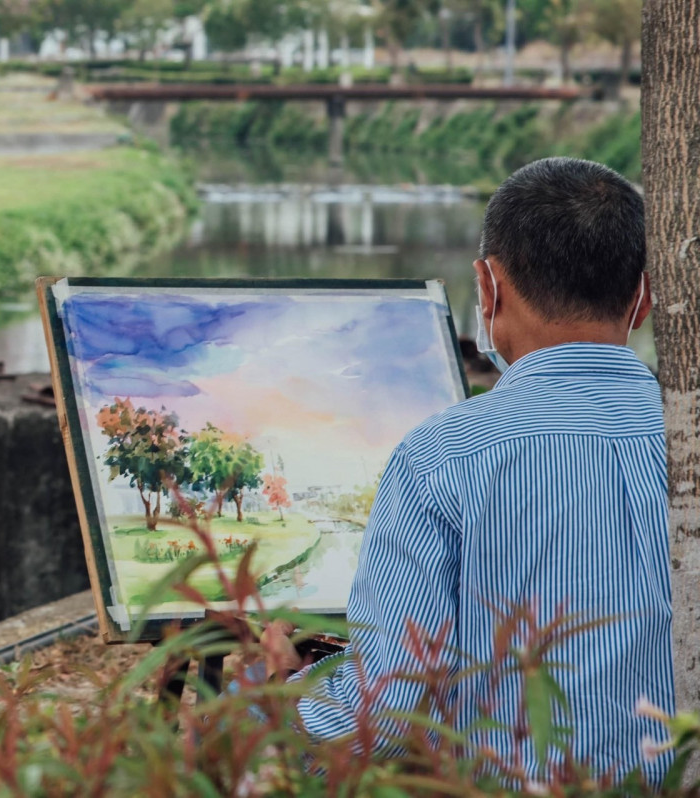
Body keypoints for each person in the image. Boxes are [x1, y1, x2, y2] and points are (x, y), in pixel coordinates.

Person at [262, 157, 675, 784]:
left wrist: (276, 688)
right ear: (643, 296)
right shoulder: (689, 442)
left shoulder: (443, 458)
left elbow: (389, 716)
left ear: (488, 288)